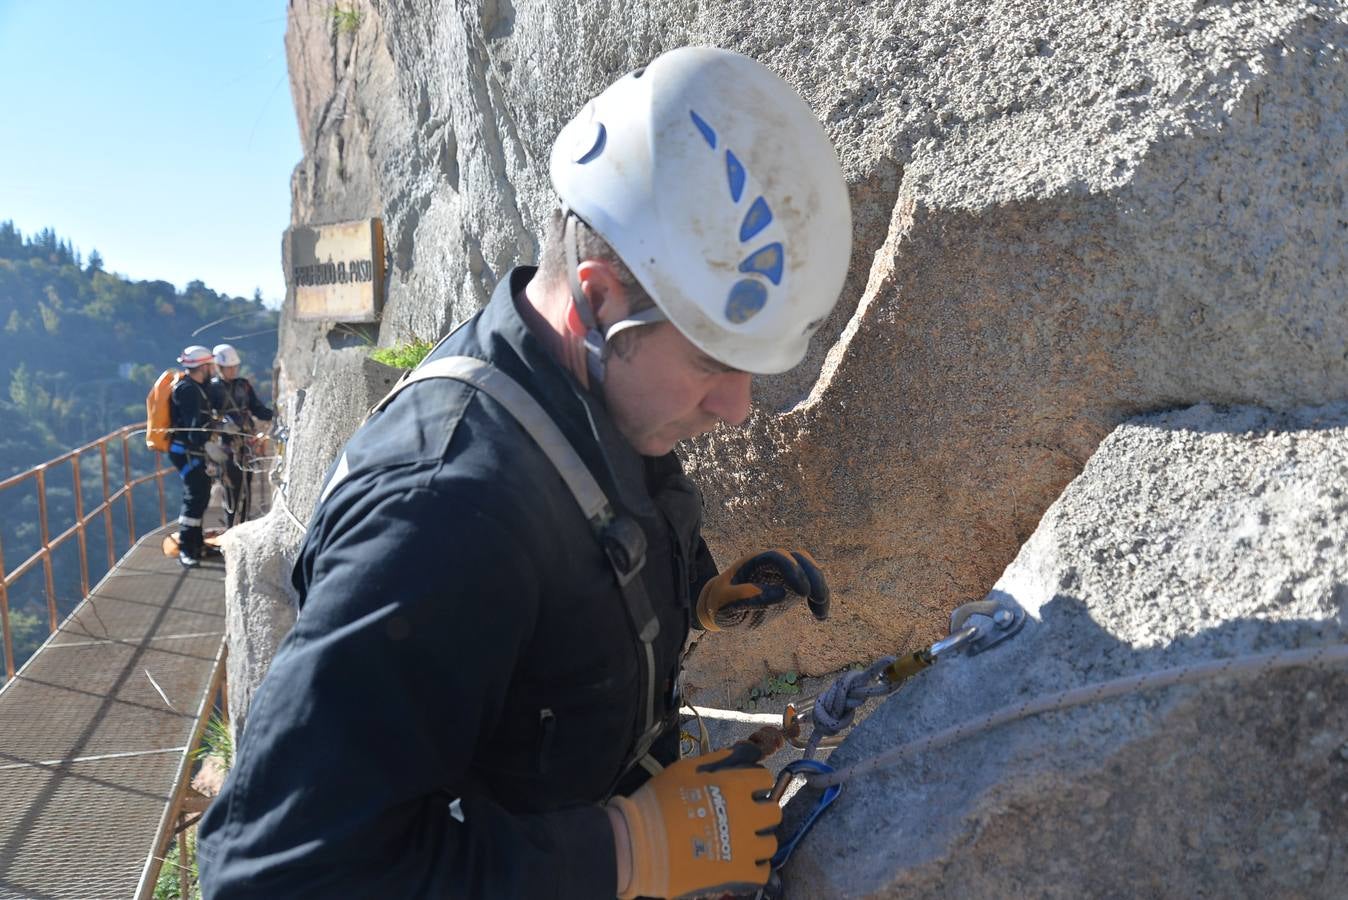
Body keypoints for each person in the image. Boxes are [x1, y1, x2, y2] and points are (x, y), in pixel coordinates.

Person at [197, 46, 851, 899]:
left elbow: (565, 559)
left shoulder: (577, 385)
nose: (737, 407)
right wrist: (630, 850)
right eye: (714, 362)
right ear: (600, 296)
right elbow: (275, 875)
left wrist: (692, 598)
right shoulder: (437, 517)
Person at [209, 343, 274, 527]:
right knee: (231, 487)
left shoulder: (243, 385)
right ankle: (231, 526)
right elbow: (206, 417)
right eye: (228, 368)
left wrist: (276, 414)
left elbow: (257, 409)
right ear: (219, 367)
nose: (232, 371)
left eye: (234, 367)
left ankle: (243, 524)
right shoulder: (212, 389)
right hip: (226, 444)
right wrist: (221, 424)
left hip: (245, 443)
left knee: (246, 484)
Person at [168, 345, 219, 568]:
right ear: (203, 366)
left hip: (189, 451)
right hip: (187, 452)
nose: (212, 369)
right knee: (194, 497)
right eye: (210, 365)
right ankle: (186, 549)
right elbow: (193, 430)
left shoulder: (195, 387)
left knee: (201, 495)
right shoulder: (188, 391)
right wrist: (209, 433)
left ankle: (197, 544)